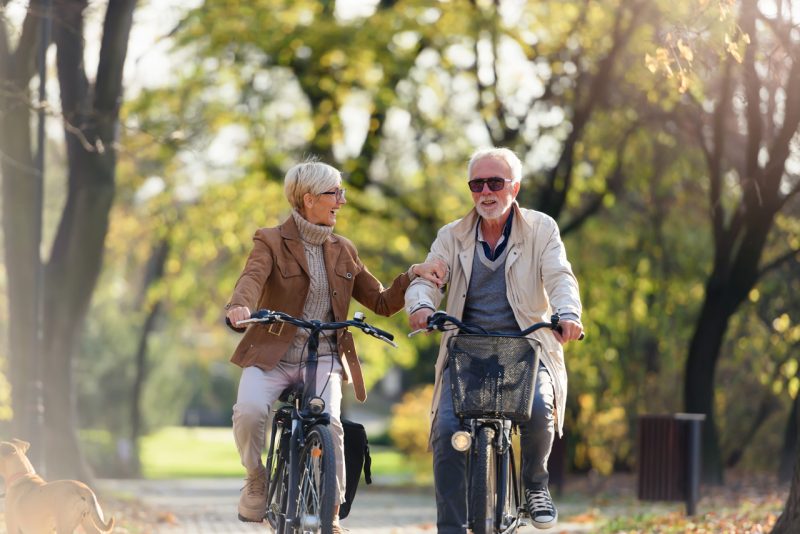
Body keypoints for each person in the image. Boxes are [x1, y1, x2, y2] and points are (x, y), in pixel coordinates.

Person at [225, 160, 445, 531]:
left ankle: (330, 511)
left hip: (324, 355)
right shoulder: (271, 240)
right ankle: (256, 478)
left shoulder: (344, 249)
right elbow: (252, 277)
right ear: (308, 199)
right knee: (248, 412)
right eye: (334, 193)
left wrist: (412, 275)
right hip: (271, 356)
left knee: (331, 426)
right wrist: (238, 306)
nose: (341, 201)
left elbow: (380, 301)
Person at [405, 147, 583, 532]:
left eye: (495, 183)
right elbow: (428, 279)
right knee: (448, 432)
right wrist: (420, 305)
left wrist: (568, 314)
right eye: (477, 184)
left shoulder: (541, 229)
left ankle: (535, 484)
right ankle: (452, 529)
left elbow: (559, 276)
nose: (486, 192)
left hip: (526, 351)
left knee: (539, 410)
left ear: (514, 187)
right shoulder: (451, 236)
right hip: (466, 353)